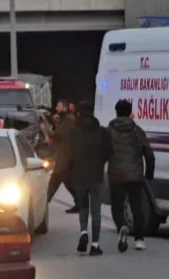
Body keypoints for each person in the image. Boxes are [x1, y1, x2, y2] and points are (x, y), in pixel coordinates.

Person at [107, 99, 155, 253]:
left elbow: (103, 151)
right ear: (130, 113)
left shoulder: (109, 131)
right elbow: (149, 153)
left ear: (116, 112)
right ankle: (139, 240)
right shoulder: (137, 130)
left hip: (117, 174)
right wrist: (148, 174)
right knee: (137, 208)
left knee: (117, 206)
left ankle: (122, 226)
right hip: (135, 175)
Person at [65, 101, 112, 255]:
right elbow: (108, 152)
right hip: (96, 175)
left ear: (78, 113)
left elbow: (69, 155)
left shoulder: (73, 133)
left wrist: (72, 169)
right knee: (96, 211)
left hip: (79, 175)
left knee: (83, 208)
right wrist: (99, 162)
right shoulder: (101, 131)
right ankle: (95, 244)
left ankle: (83, 232)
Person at [46, 99, 79, 213]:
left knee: (55, 179)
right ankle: (80, 203)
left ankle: (44, 203)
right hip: (65, 154)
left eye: (58, 106)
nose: (56, 109)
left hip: (65, 155)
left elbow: (59, 134)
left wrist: (49, 133)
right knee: (68, 181)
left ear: (64, 107)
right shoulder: (65, 119)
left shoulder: (68, 119)